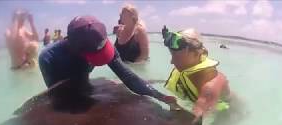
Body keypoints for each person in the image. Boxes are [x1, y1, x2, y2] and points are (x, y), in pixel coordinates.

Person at [39, 15, 178, 110]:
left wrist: (161, 97)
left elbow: (128, 77)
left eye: (103, 48)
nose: (102, 54)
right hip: (68, 90)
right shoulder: (49, 58)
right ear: (77, 50)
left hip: (86, 85)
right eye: (96, 54)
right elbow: (58, 97)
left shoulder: (101, 43)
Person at [162, 27, 231, 120]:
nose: (172, 61)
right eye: (171, 55)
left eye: (176, 56)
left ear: (196, 53)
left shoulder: (211, 86)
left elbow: (195, 121)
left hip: (229, 112)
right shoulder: (184, 71)